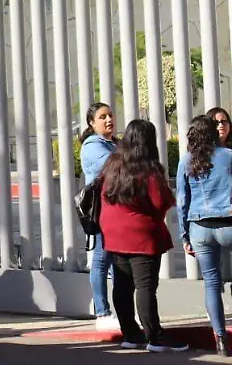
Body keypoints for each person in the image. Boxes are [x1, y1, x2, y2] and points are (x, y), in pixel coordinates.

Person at [98, 119, 186, 353]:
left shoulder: (113, 163)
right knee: (146, 287)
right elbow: (161, 201)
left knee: (122, 286)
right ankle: (155, 337)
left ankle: (131, 334)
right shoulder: (149, 168)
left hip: (114, 235)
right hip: (141, 236)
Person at [178, 115, 232, 355]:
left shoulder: (186, 161)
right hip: (229, 222)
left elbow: (182, 201)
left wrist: (184, 235)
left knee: (211, 283)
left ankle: (220, 339)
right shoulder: (229, 156)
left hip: (199, 226)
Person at [78, 102, 118, 329]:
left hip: (115, 211)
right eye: (102, 117)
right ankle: (102, 312)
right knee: (102, 259)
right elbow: (114, 168)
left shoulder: (113, 144)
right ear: (92, 123)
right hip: (103, 211)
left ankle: (111, 310)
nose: (109, 119)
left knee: (112, 261)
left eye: (110, 115)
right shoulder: (93, 145)